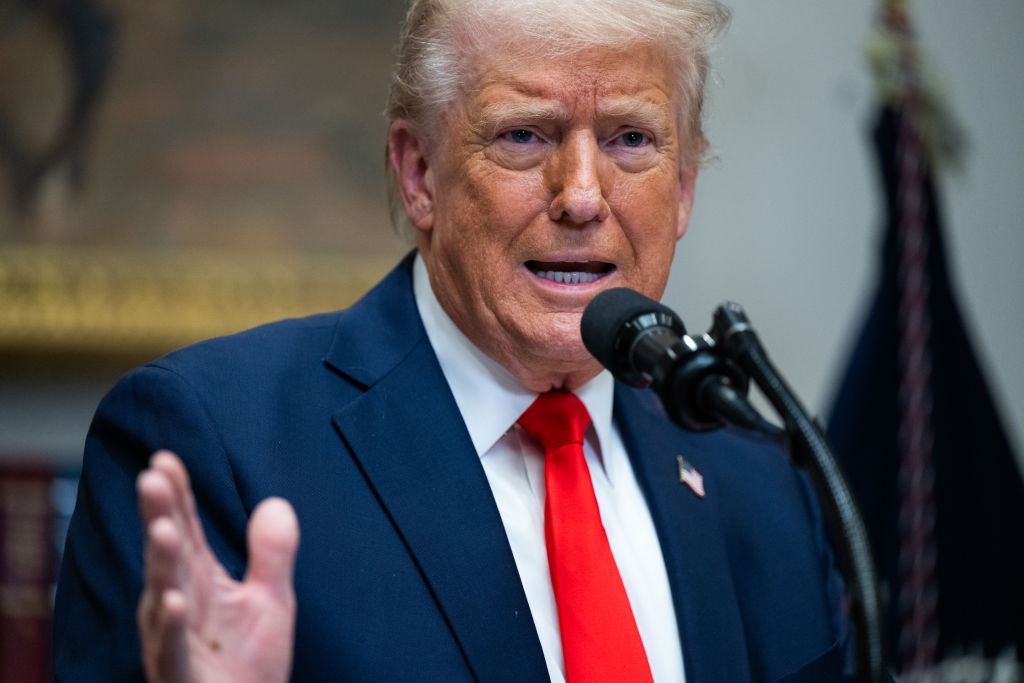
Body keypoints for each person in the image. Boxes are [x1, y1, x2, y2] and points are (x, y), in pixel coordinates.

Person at [53, 0, 854, 680]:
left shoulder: (768, 486)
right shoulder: (210, 445)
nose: (581, 196)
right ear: (419, 173)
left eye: (630, 140)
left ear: (683, 192)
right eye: (524, 135)